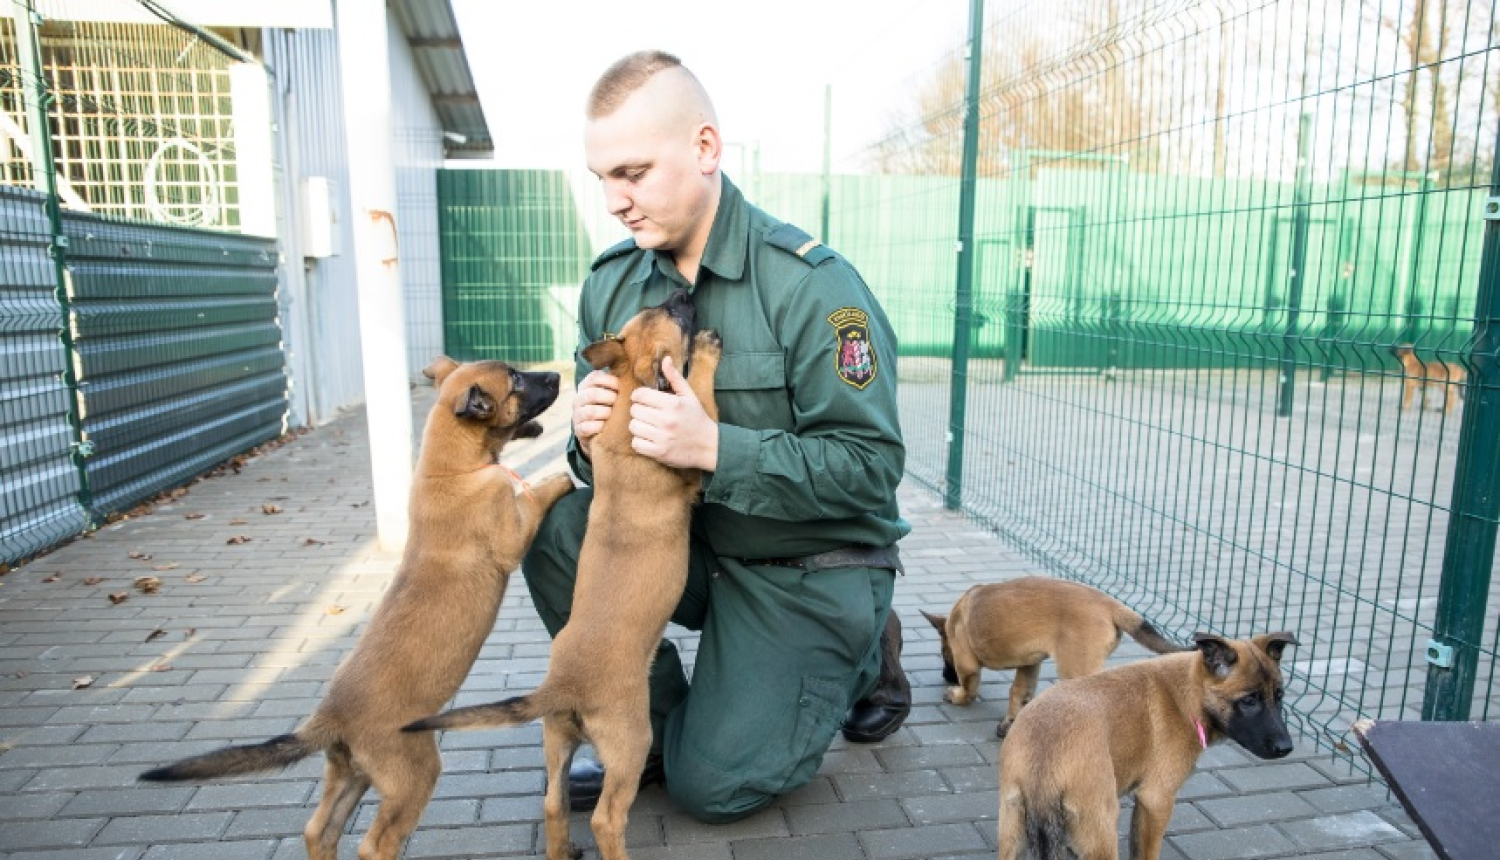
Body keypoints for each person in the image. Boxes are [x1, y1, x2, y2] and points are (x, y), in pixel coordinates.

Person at [521, 49, 910, 824]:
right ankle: (650, 734)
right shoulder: (612, 283)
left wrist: (716, 449)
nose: (616, 202)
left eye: (633, 172)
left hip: (804, 564)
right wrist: (585, 436)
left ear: (705, 149)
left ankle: (863, 649)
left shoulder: (810, 286)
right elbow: (601, 468)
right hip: (691, 551)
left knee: (714, 790)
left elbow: (872, 468)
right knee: (552, 527)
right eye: (602, 178)